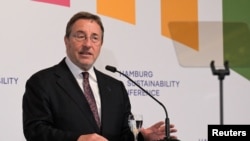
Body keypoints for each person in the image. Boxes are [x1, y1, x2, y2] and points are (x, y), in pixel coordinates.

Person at [22, 11, 178, 141]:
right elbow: (35, 131)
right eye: (80, 36)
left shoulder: (116, 87)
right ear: (66, 41)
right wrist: (78, 139)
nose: (88, 44)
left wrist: (142, 136)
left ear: (100, 44)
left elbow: (122, 136)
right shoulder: (42, 82)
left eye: (94, 38)